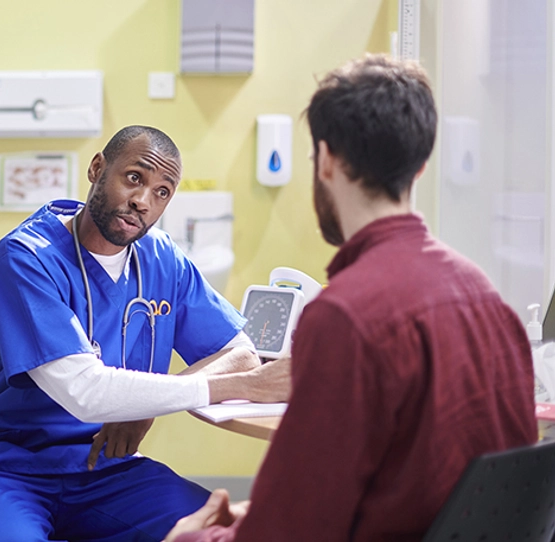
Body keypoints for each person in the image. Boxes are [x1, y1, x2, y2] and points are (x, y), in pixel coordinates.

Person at [164, 55, 537, 542]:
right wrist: (259, 514)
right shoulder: (486, 297)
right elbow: (445, 486)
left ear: (327, 160)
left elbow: (293, 529)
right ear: (421, 166)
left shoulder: (343, 316)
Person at [0, 125, 291, 542]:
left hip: (104, 469)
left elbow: (240, 352)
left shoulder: (163, 260)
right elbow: (85, 393)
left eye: (162, 192)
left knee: (223, 532)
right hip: (2, 470)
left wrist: (143, 409)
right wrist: (243, 387)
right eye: (135, 178)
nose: (143, 201)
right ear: (97, 168)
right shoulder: (27, 257)